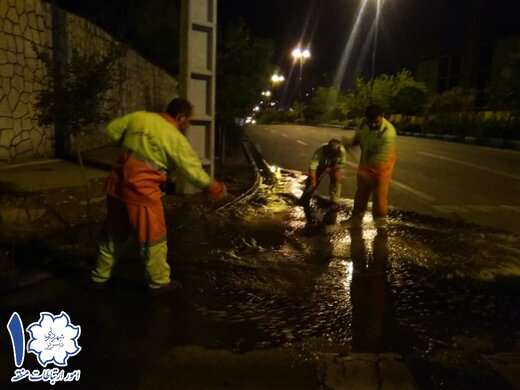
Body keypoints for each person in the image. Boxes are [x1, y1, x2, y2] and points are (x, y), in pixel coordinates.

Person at [91, 98, 226, 292]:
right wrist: (214, 187)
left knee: (113, 234)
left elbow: (112, 129)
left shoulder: (140, 118)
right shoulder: (174, 137)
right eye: (188, 120)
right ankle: (159, 282)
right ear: (180, 117)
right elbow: (192, 170)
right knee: (154, 238)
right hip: (142, 192)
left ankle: (100, 276)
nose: (188, 124)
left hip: (117, 186)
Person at [343, 104, 397, 227]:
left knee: (379, 195)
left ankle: (380, 224)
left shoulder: (388, 133)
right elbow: (359, 137)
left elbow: (379, 159)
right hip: (366, 162)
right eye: (370, 121)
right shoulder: (363, 123)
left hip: (382, 165)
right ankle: (356, 219)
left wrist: (369, 174)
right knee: (361, 192)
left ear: (382, 116)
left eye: (375, 121)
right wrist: (350, 143)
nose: (372, 124)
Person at [299, 139, 348, 210]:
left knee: (336, 179)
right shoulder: (320, 151)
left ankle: (334, 201)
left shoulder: (341, 151)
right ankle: (305, 197)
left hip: (334, 166)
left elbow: (342, 164)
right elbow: (312, 167)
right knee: (312, 181)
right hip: (321, 165)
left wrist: (331, 169)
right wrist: (313, 180)